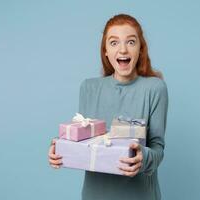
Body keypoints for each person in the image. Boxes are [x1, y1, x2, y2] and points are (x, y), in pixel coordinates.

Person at [48, 14, 168, 200]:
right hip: (95, 194)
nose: (122, 50)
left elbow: (157, 148)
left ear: (140, 49)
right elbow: (83, 138)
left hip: (139, 194)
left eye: (130, 42)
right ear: (105, 51)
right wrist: (59, 146)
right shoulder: (88, 87)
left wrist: (142, 157)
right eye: (114, 43)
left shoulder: (154, 88)